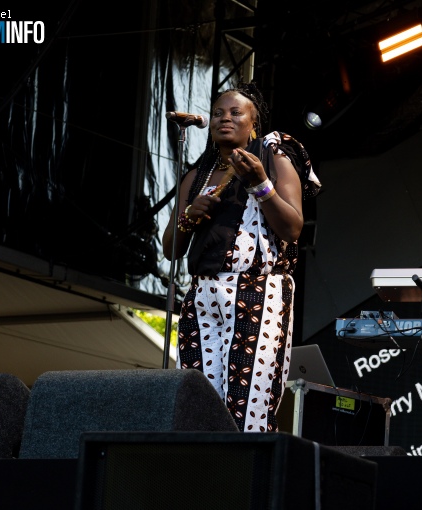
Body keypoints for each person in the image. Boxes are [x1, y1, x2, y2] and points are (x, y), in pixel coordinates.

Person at [162, 82, 321, 432]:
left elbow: (293, 229)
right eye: (218, 113)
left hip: (257, 291)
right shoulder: (197, 175)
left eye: (236, 113)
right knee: (198, 406)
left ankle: (249, 482)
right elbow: (170, 249)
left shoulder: (272, 160)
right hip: (202, 295)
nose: (225, 118)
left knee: (248, 405)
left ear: (253, 123)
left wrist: (261, 184)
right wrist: (188, 216)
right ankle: (203, 482)